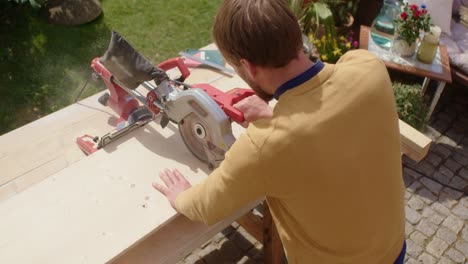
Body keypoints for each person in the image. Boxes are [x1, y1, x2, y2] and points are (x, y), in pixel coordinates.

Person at [152, 0, 406, 263]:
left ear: (248, 67)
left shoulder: (264, 148)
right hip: (392, 248)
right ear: (295, 34)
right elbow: (327, 120)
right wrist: (276, 117)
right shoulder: (368, 67)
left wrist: (179, 195)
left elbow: (207, 205)